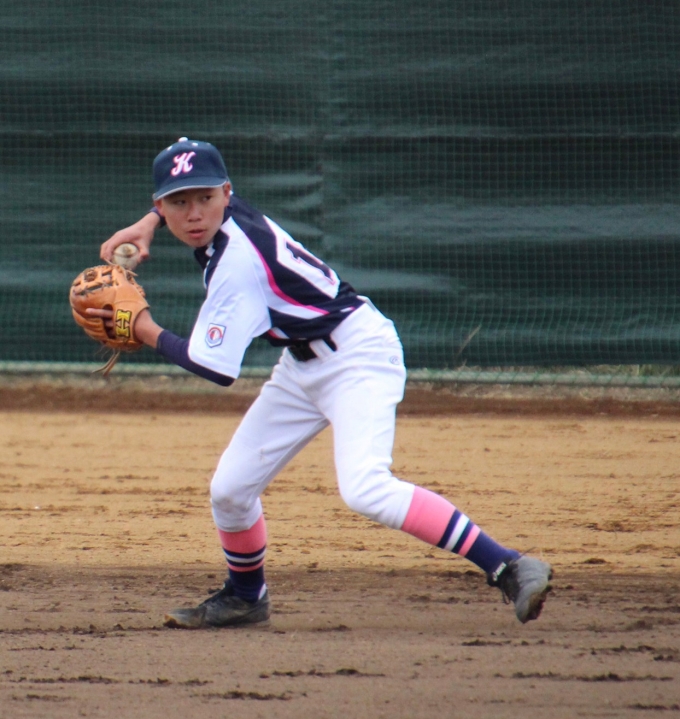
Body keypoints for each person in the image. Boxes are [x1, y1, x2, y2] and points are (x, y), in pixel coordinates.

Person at [97, 137, 552, 629]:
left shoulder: (236, 265)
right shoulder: (223, 217)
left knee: (366, 489)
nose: (193, 214)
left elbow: (216, 369)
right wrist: (148, 224)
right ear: (160, 204)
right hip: (301, 365)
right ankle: (246, 598)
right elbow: (188, 204)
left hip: (358, 356)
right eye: (178, 202)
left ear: (226, 193)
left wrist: (142, 328)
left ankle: (508, 565)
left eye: (204, 198)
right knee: (229, 491)